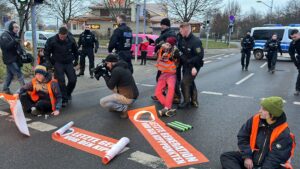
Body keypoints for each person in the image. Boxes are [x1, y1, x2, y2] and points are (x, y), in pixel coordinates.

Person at [220, 96, 295, 169]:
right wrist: (247, 157)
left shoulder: (284, 132)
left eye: (263, 109)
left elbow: (276, 157)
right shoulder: (255, 119)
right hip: (252, 158)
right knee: (226, 156)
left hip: (269, 164)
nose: (259, 111)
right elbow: (243, 136)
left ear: (272, 114)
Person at [44, 27, 79, 107]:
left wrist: (76, 60)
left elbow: (75, 51)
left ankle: (67, 93)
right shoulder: (51, 40)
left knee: (73, 80)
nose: (62, 38)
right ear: (58, 34)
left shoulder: (71, 39)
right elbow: (47, 53)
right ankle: (64, 99)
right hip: (58, 62)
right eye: (61, 36)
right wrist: (48, 63)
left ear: (66, 34)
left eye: (64, 36)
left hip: (68, 62)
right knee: (61, 81)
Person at [100, 54, 139, 119]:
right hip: (134, 95)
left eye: (107, 63)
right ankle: (119, 106)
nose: (107, 65)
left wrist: (104, 75)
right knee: (114, 90)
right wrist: (106, 72)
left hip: (129, 98)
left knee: (103, 102)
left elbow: (110, 86)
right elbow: (113, 80)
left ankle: (123, 108)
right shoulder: (122, 66)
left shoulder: (116, 70)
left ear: (112, 62)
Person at [151, 18, 179, 102]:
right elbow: (159, 42)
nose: (161, 26)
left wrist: (159, 44)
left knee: (170, 80)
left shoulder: (170, 34)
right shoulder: (165, 33)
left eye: (162, 24)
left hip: (169, 62)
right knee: (160, 79)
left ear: (166, 25)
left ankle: (176, 96)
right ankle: (160, 94)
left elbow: (169, 44)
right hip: (164, 62)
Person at [177, 22, 204, 109]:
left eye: (181, 30)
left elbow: (200, 56)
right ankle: (194, 100)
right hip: (186, 64)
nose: (180, 32)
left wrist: (193, 66)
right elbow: (181, 52)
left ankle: (186, 101)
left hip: (195, 65)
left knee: (184, 82)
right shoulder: (182, 39)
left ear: (186, 29)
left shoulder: (196, 41)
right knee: (189, 81)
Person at [155, 37, 180, 117]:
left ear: (172, 45)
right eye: (166, 43)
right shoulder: (162, 48)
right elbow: (157, 53)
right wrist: (161, 47)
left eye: (169, 44)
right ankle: (168, 108)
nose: (167, 45)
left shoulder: (175, 51)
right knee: (158, 92)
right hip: (163, 73)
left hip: (171, 74)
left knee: (171, 89)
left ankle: (167, 107)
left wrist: (172, 57)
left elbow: (178, 61)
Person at [0, 21, 25, 94]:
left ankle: (5, 89)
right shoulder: (4, 35)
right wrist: (14, 41)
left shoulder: (15, 35)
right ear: (11, 27)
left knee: (10, 76)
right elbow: (5, 47)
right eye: (15, 27)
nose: (17, 29)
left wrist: (22, 52)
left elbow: (17, 47)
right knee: (19, 74)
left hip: (16, 59)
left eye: (18, 27)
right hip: (10, 59)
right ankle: (24, 90)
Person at [289, 29, 300, 96]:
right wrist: (296, 63)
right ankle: (297, 89)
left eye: (294, 37)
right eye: (292, 37)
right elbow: (291, 53)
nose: (293, 39)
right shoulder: (293, 43)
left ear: (299, 34)